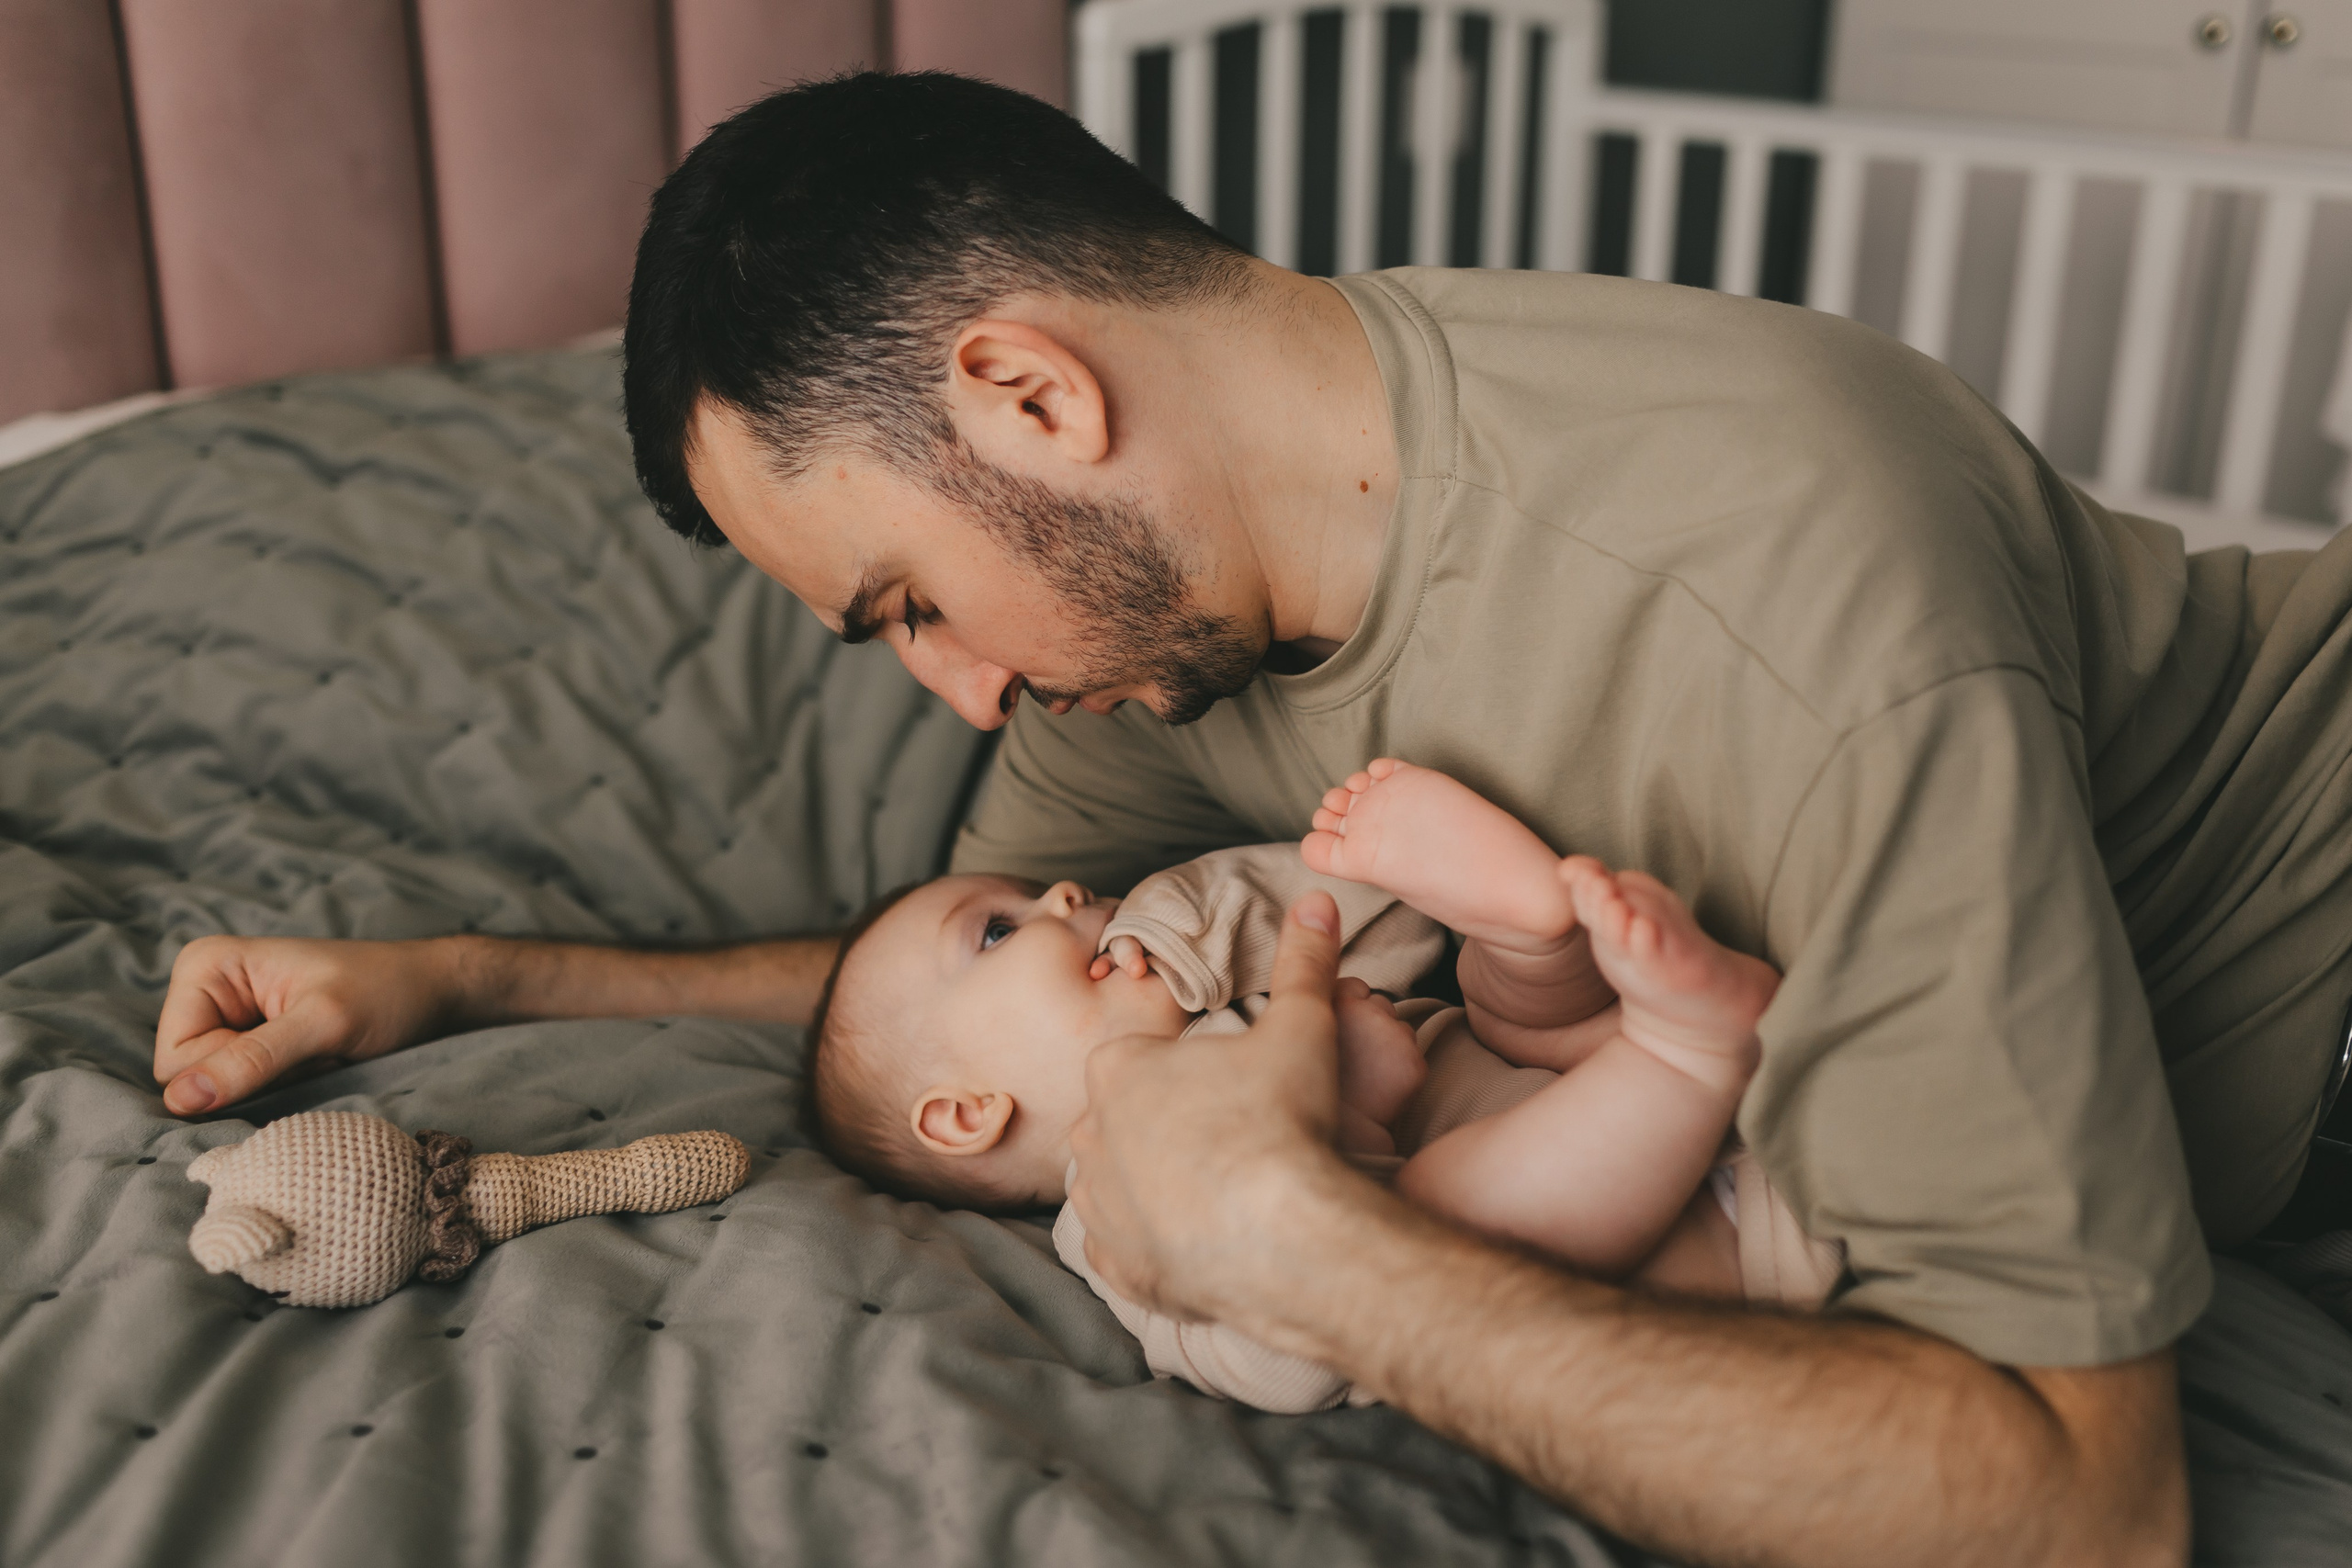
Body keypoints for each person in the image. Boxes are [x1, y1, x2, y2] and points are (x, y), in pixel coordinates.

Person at [153, 71, 2352, 1566]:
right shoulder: (1182, 620)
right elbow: (956, 973)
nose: (960, 691)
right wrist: (463, 975)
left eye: (910, 600)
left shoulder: (1774, 595)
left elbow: (2074, 1507)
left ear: (1030, 394)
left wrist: (1301, 1243)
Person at [799, 761, 1828, 1411]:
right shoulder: (1113, 1215)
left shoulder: (1231, 1005)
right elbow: (1286, 1355)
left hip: (1663, 1128)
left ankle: (1537, 929)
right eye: (996, 929)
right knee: (1439, 1218)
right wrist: (1354, 1115)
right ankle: (1686, 1051)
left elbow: (1371, 930)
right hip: (1703, 1274)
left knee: (1494, 1001)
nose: (1060, 893)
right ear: (965, 1115)